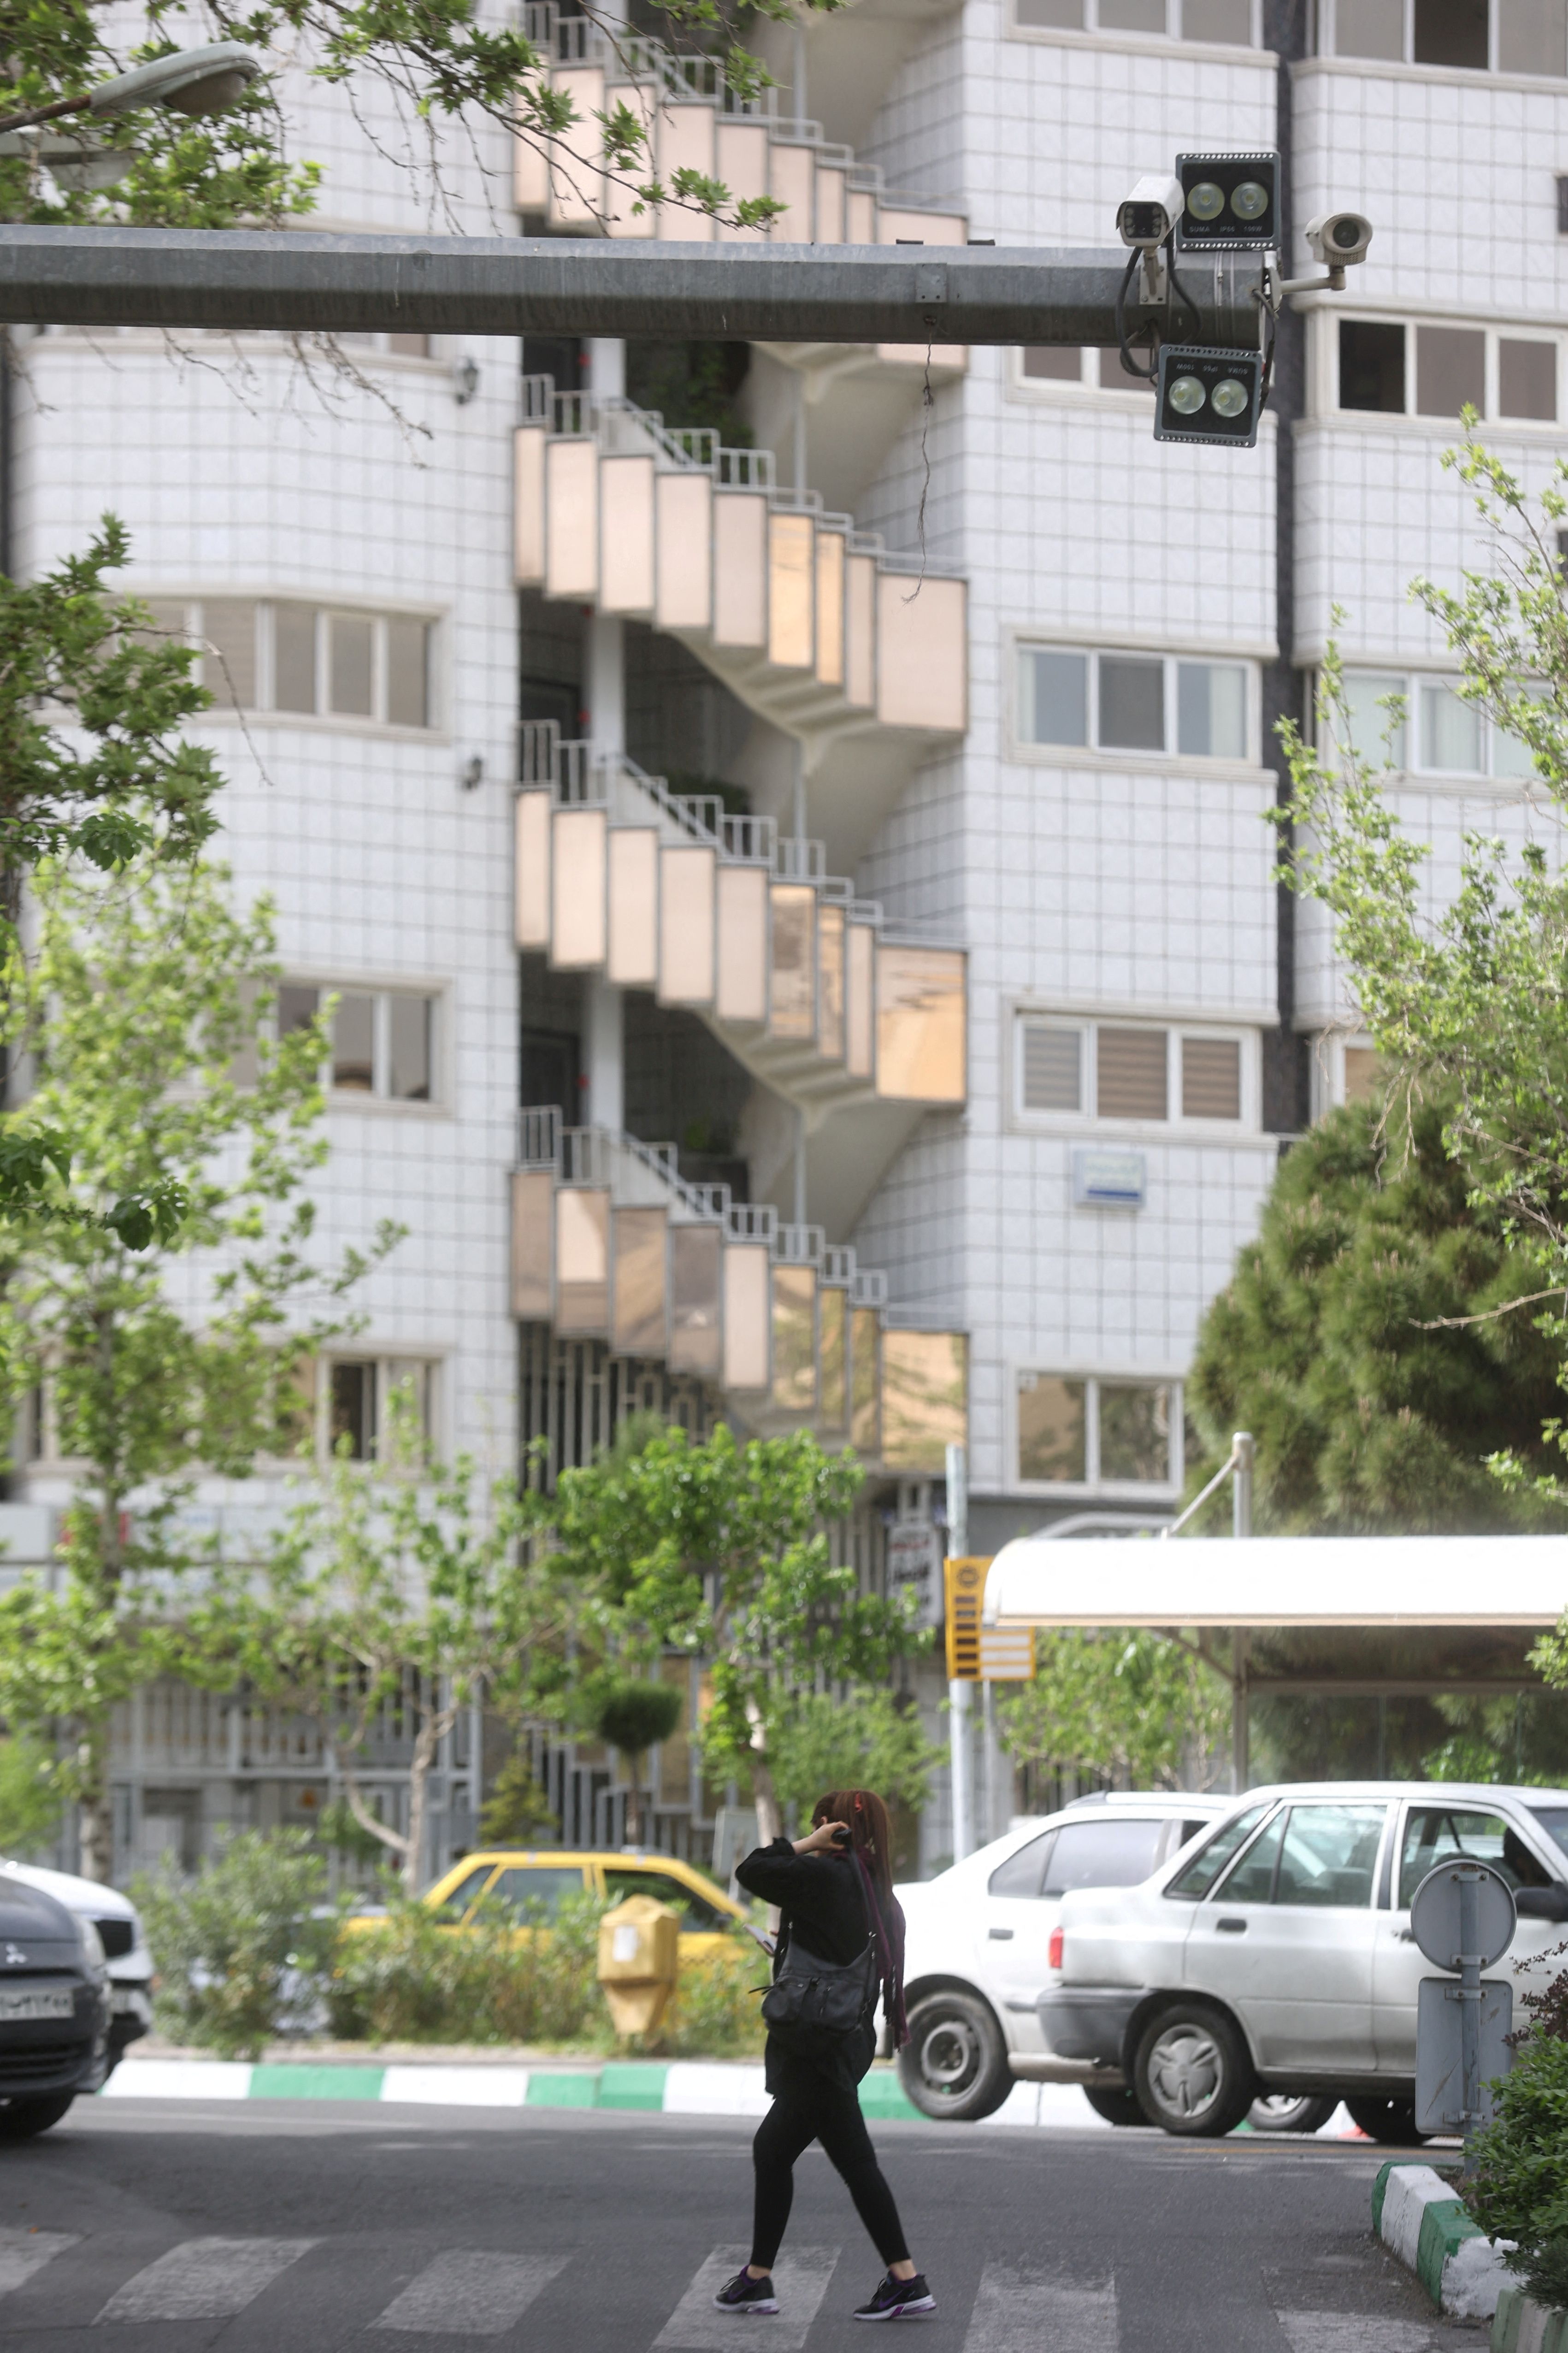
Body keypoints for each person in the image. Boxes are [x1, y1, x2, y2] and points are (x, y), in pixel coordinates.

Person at [713, 1788, 934, 2324]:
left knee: (813, 2155)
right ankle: (761, 2278)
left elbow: (754, 1869)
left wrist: (805, 1844)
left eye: (820, 1821)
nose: (814, 1828)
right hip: (846, 2037)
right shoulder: (879, 1891)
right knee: (810, 2154)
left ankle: (900, 2281)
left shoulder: (826, 1875)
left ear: (836, 1828)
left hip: (814, 2041)